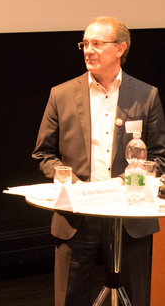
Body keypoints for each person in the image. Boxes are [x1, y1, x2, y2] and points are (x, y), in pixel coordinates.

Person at [33, 16, 165, 306]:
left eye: (97, 44)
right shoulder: (61, 94)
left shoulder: (146, 95)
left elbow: (159, 156)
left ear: (120, 48)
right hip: (77, 213)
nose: (88, 50)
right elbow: (43, 154)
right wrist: (74, 183)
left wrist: (127, 180)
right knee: (70, 299)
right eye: (85, 44)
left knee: (133, 298)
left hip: (129, 215)